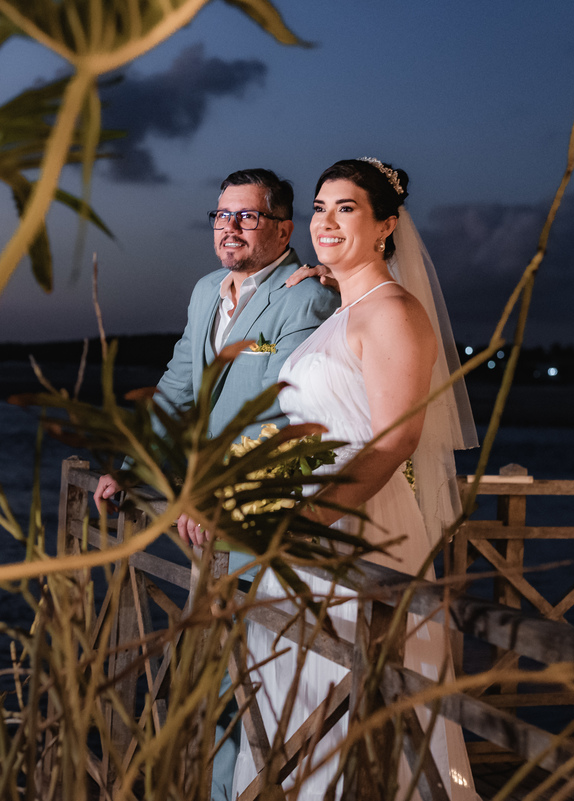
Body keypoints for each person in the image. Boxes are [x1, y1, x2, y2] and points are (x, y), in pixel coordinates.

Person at [230, 158, 480, 799]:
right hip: (307, 536)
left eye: (347, 209)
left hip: (359, 528)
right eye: (319, 208)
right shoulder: (343, 314)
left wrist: (310, 517)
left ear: (386, 226)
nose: (326, 221)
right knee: (293, 708)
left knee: (352, 710)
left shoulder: (394, 311)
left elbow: (396, 439)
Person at [92, 168, 340, 801]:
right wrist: (134, 465)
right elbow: (178, 387)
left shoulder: (306, 298)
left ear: (284, 228)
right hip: (206, 522)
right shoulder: (207, 290)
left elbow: (285, 417)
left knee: (244, 678)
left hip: (257, 514)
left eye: (247, 216)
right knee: (211, 674)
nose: (228, 227)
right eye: (222, 215)